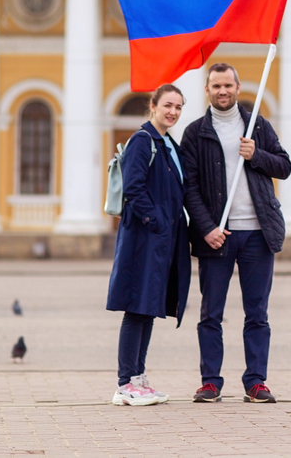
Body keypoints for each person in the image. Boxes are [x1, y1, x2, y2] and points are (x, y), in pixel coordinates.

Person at [180, 63, 291, 404]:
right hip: (218, 236)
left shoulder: (258, 124)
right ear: (207, 90)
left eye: (228, 85)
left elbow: (284, 166)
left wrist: (256, 154)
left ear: (238, 87)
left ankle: (256, 381)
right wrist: (207, 228)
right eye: (216, 86)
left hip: (258, 234)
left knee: (257, 313)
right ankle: (210, 381)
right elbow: (189, 188)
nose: (222, 91)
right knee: (210, 313)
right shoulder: (196, 132)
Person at [106, 84, 191, 406]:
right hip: (144, 239)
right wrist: (155, 222)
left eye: (179, 107)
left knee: (148, 309)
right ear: (153, 106)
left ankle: (138, 377)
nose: (173, 112)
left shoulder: (167, 143)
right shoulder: (143, 141)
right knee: (136, 308)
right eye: (168, 105)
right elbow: (134, 188)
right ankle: (125, 383)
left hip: (161, 240)